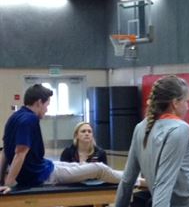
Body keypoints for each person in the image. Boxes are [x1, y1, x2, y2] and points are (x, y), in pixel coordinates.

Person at [0, 84, 141, 195]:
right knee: (98, 168)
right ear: (38, 102)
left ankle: (137, 178)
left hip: (44, 167)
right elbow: (20, 153)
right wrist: (9, 183)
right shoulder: (29, 120)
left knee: (79, 166)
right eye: (47, 105)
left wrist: (1, 181)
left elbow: (5, 152)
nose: (47, 109)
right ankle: (139, 181)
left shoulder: (15, 116)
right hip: (41, 176)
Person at [60, 122, 108, 207]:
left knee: (93, 201)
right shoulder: (68, 152)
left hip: (94, 191)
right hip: (73, 191)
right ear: (76, 135)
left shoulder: (100, 153)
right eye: (83, 131)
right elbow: (62, 175)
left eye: (89, 131)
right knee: (90, 203)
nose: (87, 133)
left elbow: (105, 175)